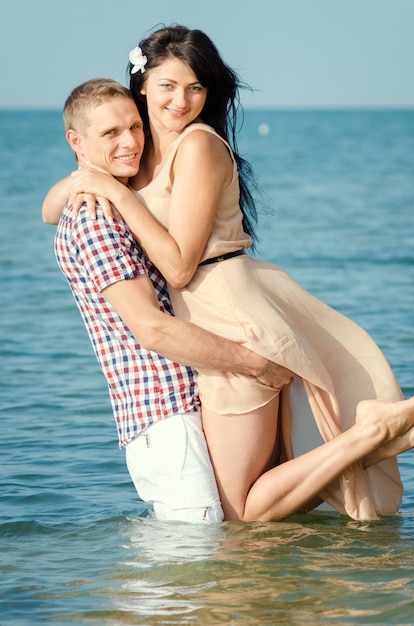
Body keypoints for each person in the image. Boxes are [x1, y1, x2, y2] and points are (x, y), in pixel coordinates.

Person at [43, 30, 414, 523]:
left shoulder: (196, 147)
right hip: (211, 313)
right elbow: (52, 212)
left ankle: (365, 437)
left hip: (228, 316)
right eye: (169, 86)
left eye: (195, 88)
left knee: (241, 510)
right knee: (265, 481)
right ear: (142, 86)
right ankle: (369, 442)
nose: (181, 100)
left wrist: (118, 195)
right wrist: (84, 182)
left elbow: (178, 265)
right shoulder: (142, 147)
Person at [49, 77, 296, 524]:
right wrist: (257, 365)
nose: (130, 143)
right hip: (165, 421)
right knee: (190, 575)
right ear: (77, 143)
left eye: (135, 128)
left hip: (185, 406)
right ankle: (367, 437)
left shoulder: (118, 200)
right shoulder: (96, 219)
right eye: (111, 134)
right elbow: (152, 328)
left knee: (224, 555)